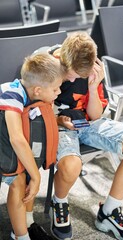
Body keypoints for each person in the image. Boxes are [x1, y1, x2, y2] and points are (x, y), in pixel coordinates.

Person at [35, 32, 123, 240]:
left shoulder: (91, 68)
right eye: (72, 74)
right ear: (63, 59)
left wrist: (93, 86)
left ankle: (109, 212)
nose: (73, 79)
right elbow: (35, 110)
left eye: (80, 76)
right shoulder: (46, 63)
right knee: (71, 165)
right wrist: (60, 120)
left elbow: (96, 115)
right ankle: (59, 202)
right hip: (56, 122)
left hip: (87, 122)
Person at [0, 53, 65, 240]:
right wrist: (36, 177)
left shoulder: (33, 94)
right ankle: (21, 235)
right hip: (8, 139)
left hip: (5, 139)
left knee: (23, 178)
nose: (59, 92)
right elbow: (17, 139)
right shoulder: (11, 94)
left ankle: (23, 230)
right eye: (56, 89)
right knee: (20, 180)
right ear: (37, 90)